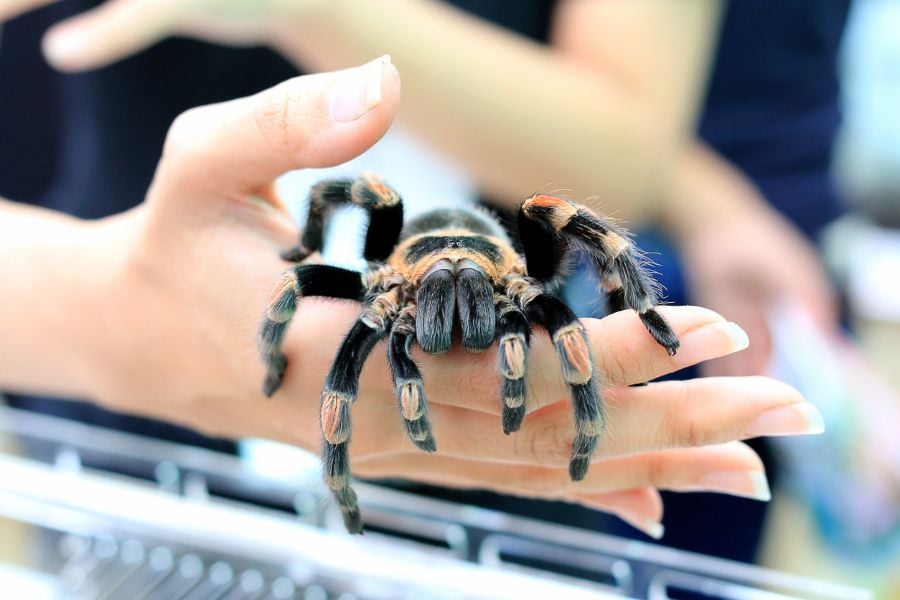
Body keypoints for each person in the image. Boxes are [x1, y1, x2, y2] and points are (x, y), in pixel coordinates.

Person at [0, 0, 835, 545]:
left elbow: (613, 172)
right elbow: (310, 266)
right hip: (115, 401)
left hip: (485, 484)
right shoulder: (374, 283)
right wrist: (103, 314)